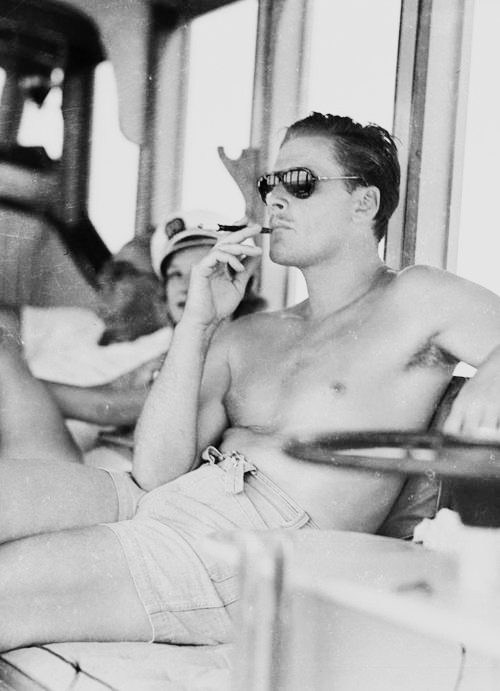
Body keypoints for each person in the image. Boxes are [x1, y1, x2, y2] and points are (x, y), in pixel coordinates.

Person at [1, 112, 500, 651]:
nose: (276, 200)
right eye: (269, 185)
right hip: (171, 498)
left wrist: (492, 376)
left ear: (365, 203)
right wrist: (198, 325)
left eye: (300, 183)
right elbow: (155, 471)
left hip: (258, 542)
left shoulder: (416, 297)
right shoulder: (249, 333)